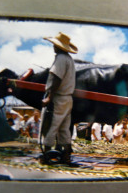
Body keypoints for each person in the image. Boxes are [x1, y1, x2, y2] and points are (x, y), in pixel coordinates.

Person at [40, 32, 78, 165]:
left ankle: (46, 155)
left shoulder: (61, 58)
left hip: (58, 98)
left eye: (55, 45)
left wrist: (49, 97)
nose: (53, 47)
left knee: (52, 125)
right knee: (64, 128)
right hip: (67, 99)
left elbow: (57, 78)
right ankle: (66, 156)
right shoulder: (69, 59)